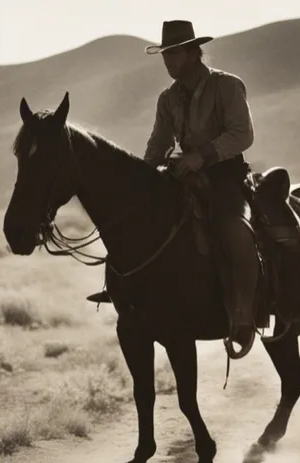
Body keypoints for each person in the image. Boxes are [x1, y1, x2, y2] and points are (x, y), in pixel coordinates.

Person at [88, 20, 259, 359]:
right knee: (140, 221)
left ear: (195, 53)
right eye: (165, 54)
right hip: (184, 175)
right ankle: (127, 291)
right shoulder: (168, 99)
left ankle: (242, 314)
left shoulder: (226, 86)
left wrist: (202, 156)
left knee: (233, 229)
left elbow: (242, 135)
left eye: (175, 53)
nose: (168, 61)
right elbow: (158, 145)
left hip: (225, 176)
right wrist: (139, 177)